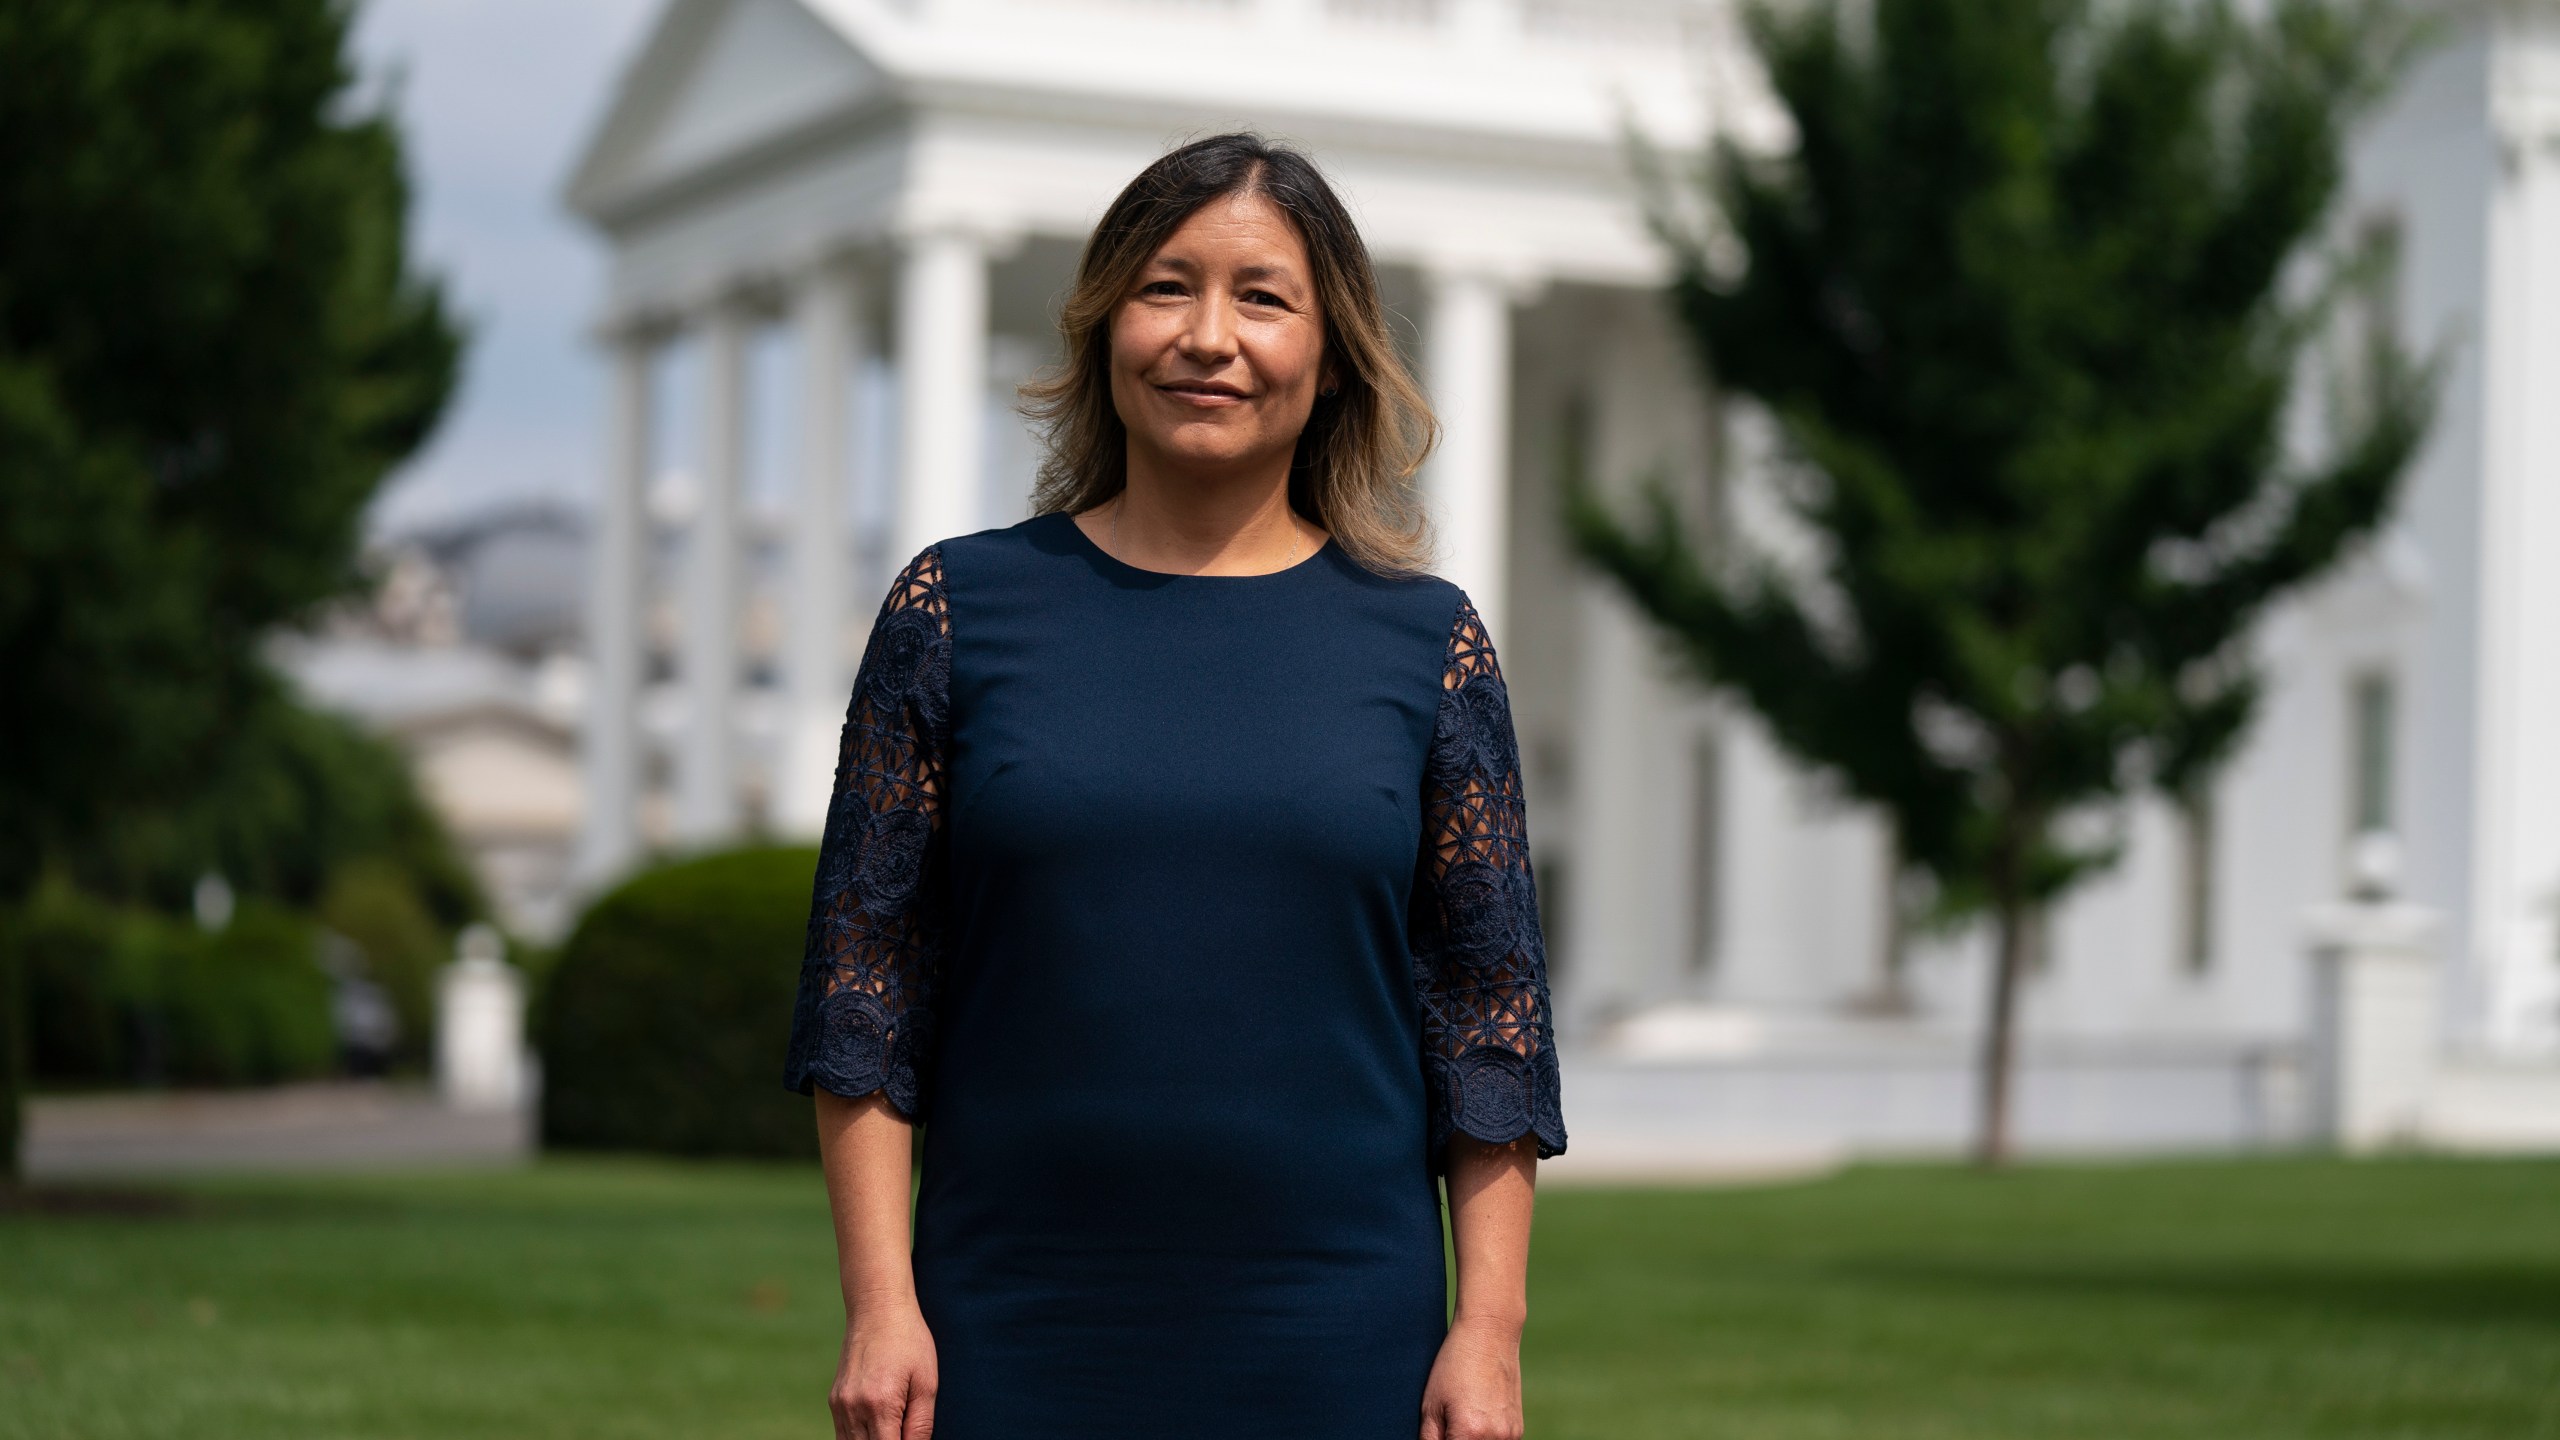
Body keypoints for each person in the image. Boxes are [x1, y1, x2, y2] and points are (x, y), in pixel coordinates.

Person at [785, 131, 1565, 1440]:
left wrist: (1488, 1336)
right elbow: (865, 985)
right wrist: (880, 1303)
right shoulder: (955, 610)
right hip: (1012, 1316)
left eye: (1263, 298)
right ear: (1103, 328)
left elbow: (1490, 1029)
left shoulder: (1431, 647)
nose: (1211, 336)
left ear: (1330, 359)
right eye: (1167, 287)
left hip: (1337, 1327)